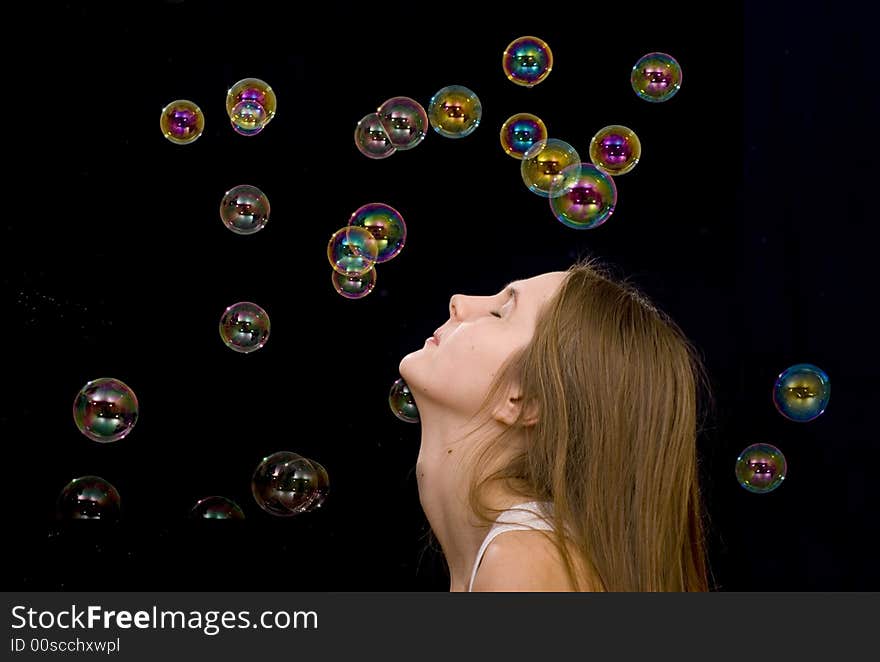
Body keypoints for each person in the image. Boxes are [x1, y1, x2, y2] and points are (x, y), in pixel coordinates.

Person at [398, 256, 715, 591]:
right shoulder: (527, 557)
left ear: (525, 401)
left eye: (500, 313)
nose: (459, 302)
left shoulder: (523, 564)